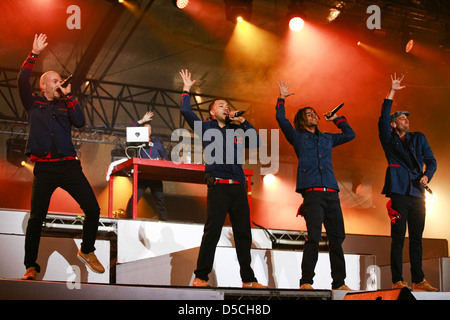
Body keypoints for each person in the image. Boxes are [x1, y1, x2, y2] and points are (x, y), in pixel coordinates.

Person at [18, 34, 105, 280]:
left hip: (69, 167)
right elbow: (22, 80)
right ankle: (31, 267)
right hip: (44, 169)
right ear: (43, 85)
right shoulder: (33, 103)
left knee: (93, 208)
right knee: (37, 219)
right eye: (54, 81)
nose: (59, 83)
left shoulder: (67, 103)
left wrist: (68, 95)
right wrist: (33, 55)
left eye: (60, 80)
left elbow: (81, 122)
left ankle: (87, 251)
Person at [179, 69, 267, 288]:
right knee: (212, 232)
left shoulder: (237, 130)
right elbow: (186, 111)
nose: (226, 108)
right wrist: (186, 90)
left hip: (238, 187)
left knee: (243, 234)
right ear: (211, 113)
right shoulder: (206, 128)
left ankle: (248, 279)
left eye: (228, 106)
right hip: (218, 186)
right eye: (221, 105)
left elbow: (256, 141)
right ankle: (200, 277)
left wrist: (244, 121)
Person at [275, 81, 355, 290]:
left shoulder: (327, 138)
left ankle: (339, 282)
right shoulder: (298, 137)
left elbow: (350, 134)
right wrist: (281, 98)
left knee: (337, 238)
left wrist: (336, 118)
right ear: (302, 120)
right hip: (313, 194)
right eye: (308, 114)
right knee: (314, 237)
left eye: (314, 113)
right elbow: (281, 119)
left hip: (332, 193)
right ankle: (306, 281)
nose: (313, 115)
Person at [378, 74, 438, 292]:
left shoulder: (419, 138)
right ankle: (397, 280)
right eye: (402, 118)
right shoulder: (389, 139)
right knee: (398, 238)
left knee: (416, 239)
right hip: (398, 192)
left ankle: (419, 280)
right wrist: (391, 92)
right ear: (394, 124)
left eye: (407, 118)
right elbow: (383, 118)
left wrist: (427, 175)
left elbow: (431, 161)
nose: (407, 120)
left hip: (417, 193)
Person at [125, 111, 169, 220]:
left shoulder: (157, 143)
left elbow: (165, 157)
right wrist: (142, 120)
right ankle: (128, 218)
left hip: (155, 175)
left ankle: (164, 221)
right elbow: (130, 129)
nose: (147, 131)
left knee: (160, 200)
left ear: (151, 131)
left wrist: (162, 164)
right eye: (145, 129)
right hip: (142, 175)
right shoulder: (137, 141)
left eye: (149, 129)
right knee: (135, 198)